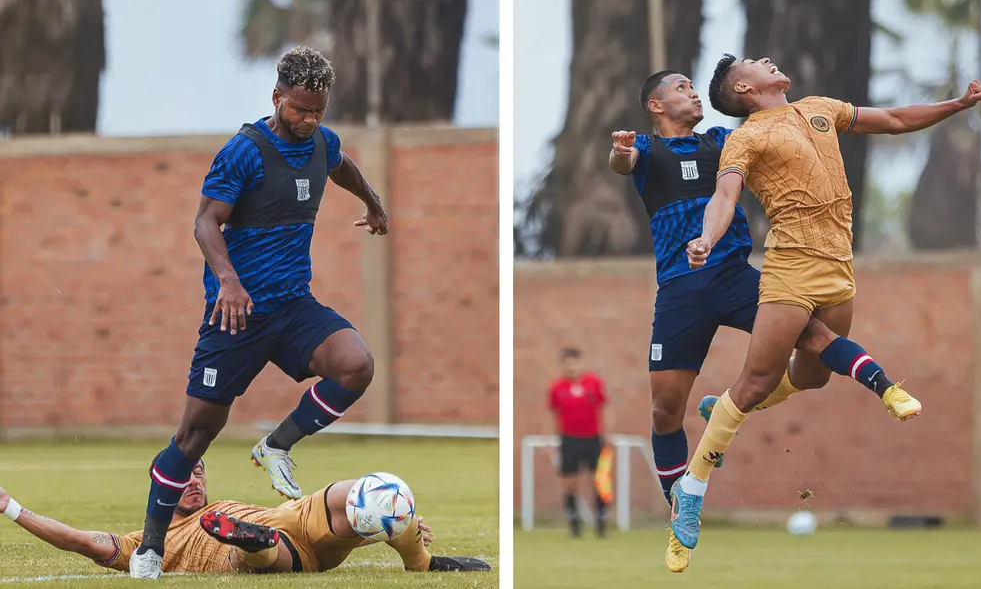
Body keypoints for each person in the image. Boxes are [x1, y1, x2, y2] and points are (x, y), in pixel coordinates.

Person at [671, 53, 981, 554]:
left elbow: (894, 120)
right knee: (755, 382)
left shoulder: (820, 107)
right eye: (756, 63)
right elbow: (724, 196)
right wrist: (706, 239)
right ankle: (691, 488)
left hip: (838, 265)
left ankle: (724, 408)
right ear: (745, 90)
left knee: (814, 374)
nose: (769, 60)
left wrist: (958, 103)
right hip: (790, 269)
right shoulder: (746, 136)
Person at [608, 69, 923, 573]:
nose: (692, 93)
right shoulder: (646, 149)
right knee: (666, 411)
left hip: (737, 275)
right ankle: (679, 504)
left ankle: (886, 386)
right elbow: (622, 164)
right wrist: (621, 154)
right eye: (681, 88)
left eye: (695, 86)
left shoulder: (724, 141)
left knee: (816, 337)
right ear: (655, 106)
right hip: (680, 290)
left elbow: (775, 138)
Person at [132, 46, 390, 578]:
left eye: (318, 110)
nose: (309, 120)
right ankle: (151, 549)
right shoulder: (244, 151)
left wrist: (373, 202)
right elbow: (205, 222)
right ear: (277, 98)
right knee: (194, 436)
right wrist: (228, 281)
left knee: (356, 364)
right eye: (299, 109)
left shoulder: (320, 140)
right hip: (237, 315)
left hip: (295, 306)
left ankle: (277, 444)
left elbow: (340, 165)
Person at [0, 457, 490, 575]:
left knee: (378, 493)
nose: (193, 480)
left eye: (197, 472)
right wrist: (10, 507)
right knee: (256, 552)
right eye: (181, 477)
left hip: (291, 520)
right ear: (160, 487)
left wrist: (371, 533)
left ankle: (421, 559)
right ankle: (248, 540)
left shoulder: (219, 503)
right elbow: (81, 541)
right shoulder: (144, 545)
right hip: (275, 556)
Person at [547, 348, 609, 538]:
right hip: (569, 440)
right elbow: (551, 414)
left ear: (580, 363)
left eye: (574, 362)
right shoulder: (557, 387)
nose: (571, 366)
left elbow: (604, 408)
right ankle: (574, 525)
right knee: (570, 483)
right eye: (567, 363)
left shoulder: (593, 383)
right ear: (563, 365)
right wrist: (551, 439)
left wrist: (607, 435)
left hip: (592, 438)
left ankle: (601, 523)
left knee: (598, 481)